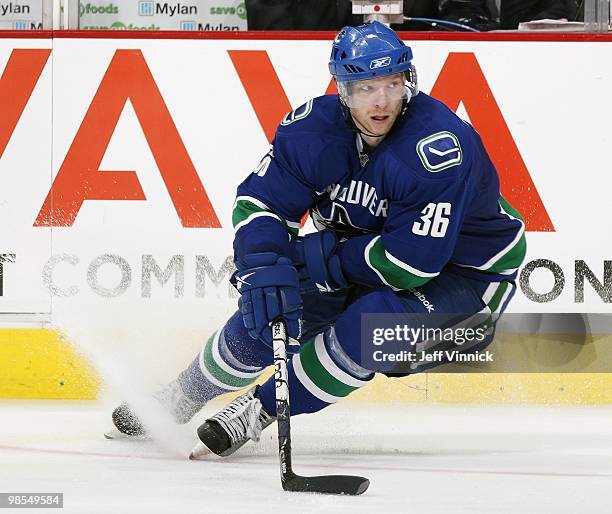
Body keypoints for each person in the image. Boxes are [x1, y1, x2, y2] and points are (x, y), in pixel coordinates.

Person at [109, 21, 526, 459]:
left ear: (409, 81)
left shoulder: (437, 148)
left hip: (467, 277)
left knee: (371, 326)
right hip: (359, 256)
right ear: (343, 90)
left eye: (392, 83)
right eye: (366, 87)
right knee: (265, 314)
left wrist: (314, 256)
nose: (382, 100)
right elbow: (260, 202)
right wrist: (264, 261)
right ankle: (180, 396)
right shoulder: (312, 130)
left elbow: (411, 265)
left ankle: (258, 410)